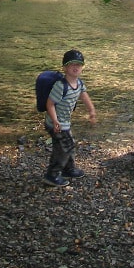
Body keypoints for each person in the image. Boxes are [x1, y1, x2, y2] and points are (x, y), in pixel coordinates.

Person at [43, 49, 97, 187]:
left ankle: (68, 169)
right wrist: (55, 121)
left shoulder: (79, 84)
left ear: (82, 67)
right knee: (65, 147)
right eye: (72, 64)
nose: (75, 67)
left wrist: (91, 110)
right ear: (65, 68)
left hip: (64, 123)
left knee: (67, 144)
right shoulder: (61, 86)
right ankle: (52, 175)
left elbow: (85, 97)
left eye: (78, 64)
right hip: (55, 123)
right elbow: (50, 104)